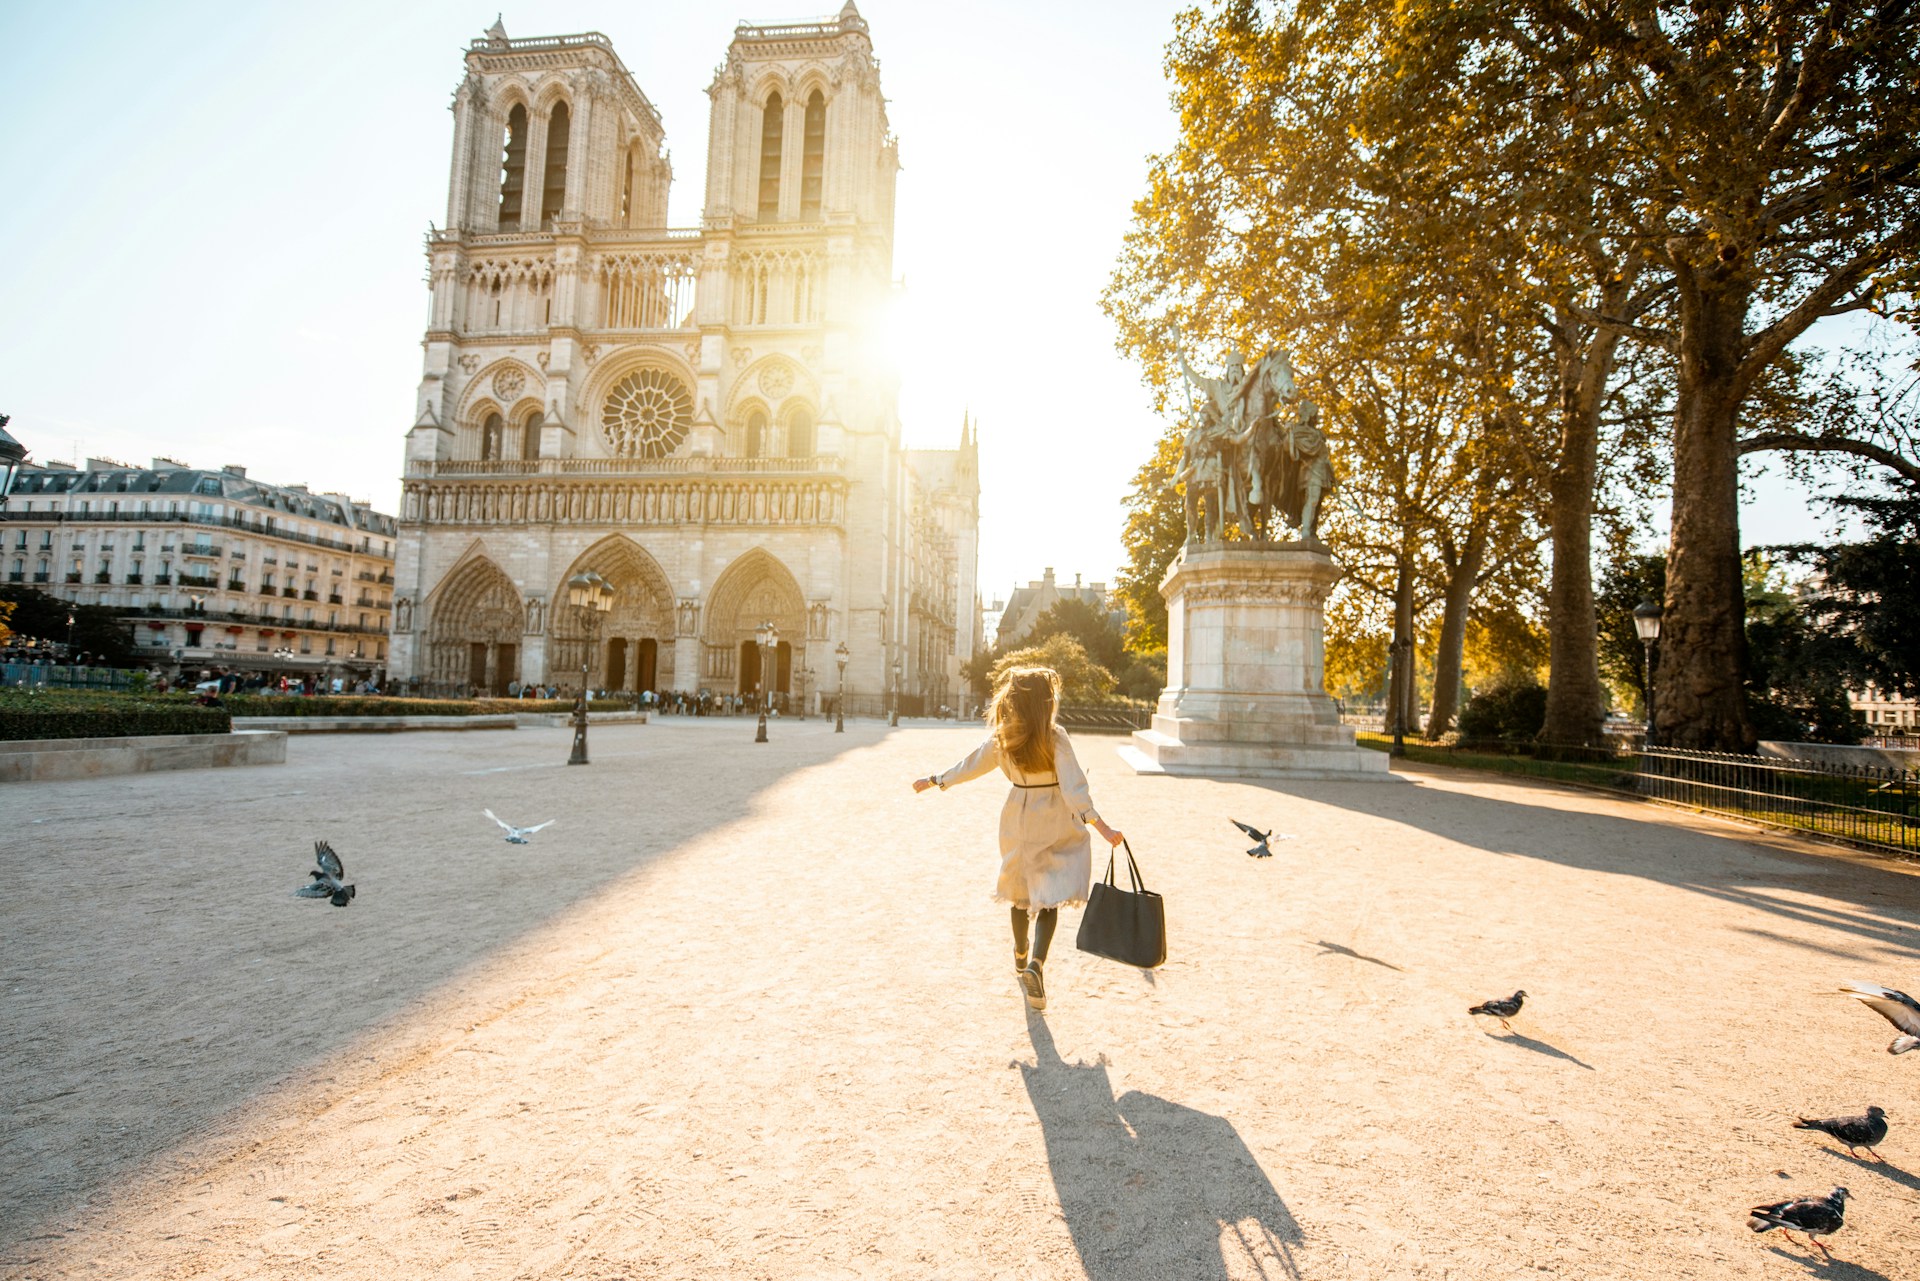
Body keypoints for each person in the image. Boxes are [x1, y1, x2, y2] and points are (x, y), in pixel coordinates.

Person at [913, 666, 1124, 1012]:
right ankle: (1037, 965)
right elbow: (1074, 788)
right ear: (1045, 702)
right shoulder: (1055, 736)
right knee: (1050, 897)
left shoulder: (1004, 736)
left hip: (1018, 815)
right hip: (1054, 816)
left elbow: (971, 765)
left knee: (1020, 894)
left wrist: (937, 779)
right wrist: (1102, 827)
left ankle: (1020, 952)